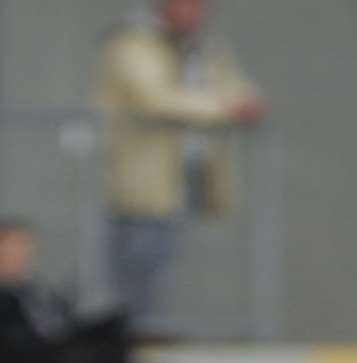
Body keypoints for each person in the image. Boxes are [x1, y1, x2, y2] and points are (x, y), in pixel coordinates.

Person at [96, 0, 263, 336]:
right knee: (137, 254)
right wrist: (225, 109)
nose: (194, 13)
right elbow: (154, 97)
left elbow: (234, 86)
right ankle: (130, 328)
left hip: (184, 173)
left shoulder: (205, 47)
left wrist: (245, 102)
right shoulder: (132, 43)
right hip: (141, 172)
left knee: (163, 254)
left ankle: (147, 325)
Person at [0, 219, 203, 363]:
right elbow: (12, 344)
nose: (19, 254)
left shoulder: (37, 292)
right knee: (101, 357)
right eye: (11, 246)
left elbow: (66, 325)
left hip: (64, 358)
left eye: (24, 246)